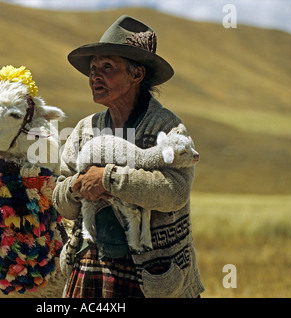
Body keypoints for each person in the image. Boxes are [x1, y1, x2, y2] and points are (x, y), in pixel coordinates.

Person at [52, 15, 205, 298]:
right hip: (91, 270)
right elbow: (62, 202)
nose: (95, 76)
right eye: (93, 68)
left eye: (107, 67)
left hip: (152, 277)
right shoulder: (86, 129)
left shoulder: (166, 127)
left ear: (137, 75)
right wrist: (78, 185)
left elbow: (175, 192)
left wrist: (109, 180)